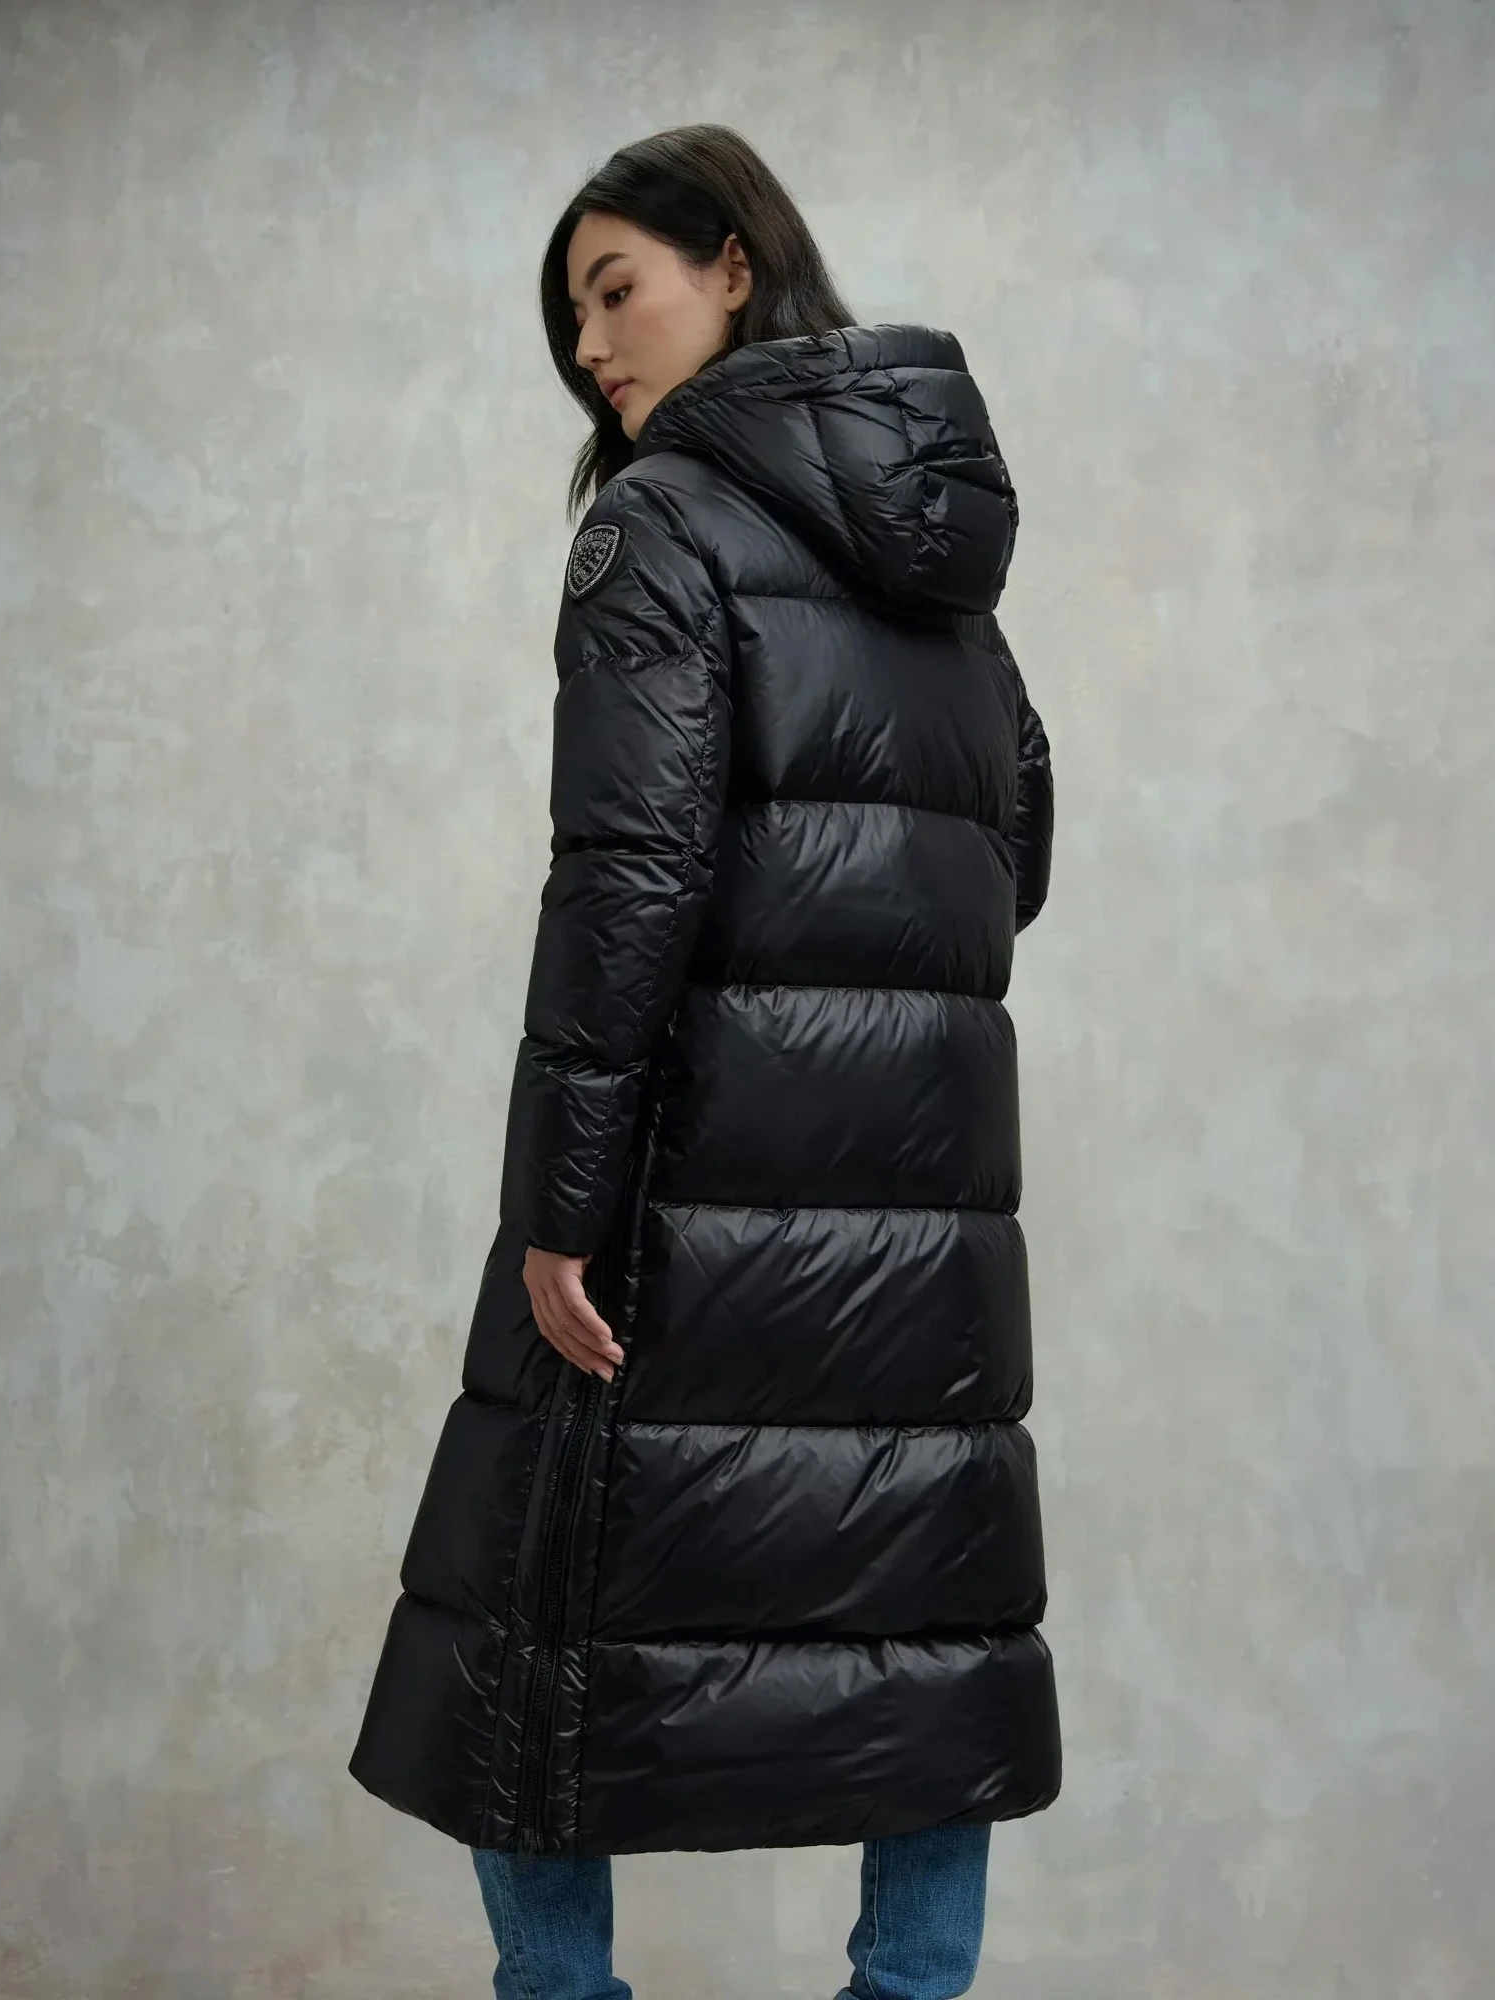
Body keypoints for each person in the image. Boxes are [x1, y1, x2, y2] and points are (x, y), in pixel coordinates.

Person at [349, 123, 1059, 2000]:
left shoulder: (656, 523)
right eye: (570, 319)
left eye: (615, 291)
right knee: (927, 1625)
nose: (590, 347)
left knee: (525, 1611)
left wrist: (561, 1206)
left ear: (734, 265)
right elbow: (1017, 859)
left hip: (689, 1175)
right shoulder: (944, 562)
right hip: (927, 1208)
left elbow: (629, 881)